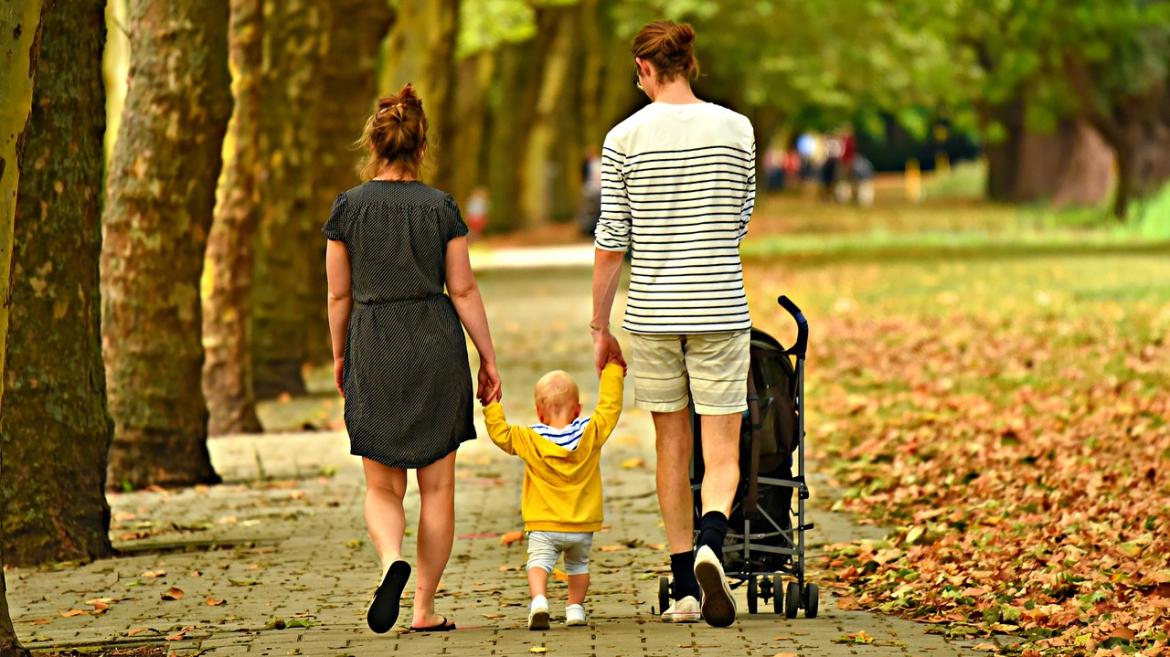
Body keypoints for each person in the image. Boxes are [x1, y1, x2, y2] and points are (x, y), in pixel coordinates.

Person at [590, 20, 756, 628]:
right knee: (721, 446)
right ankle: (715, 537)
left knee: (670, 444)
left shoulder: (623, 138)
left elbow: (612, 241)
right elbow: (741, 218)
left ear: (645, 70)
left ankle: (685, 585)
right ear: (691, 64)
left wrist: (599, 323)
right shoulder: (737, 129)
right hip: (719, 306)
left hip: (653, 313)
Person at [323, 83, 502, 634]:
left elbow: (337, 296)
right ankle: (423, 608)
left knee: (382, 487)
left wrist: (339, 356)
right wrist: (488, 359)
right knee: (439, 489)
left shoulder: (347, 210)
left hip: (373, 341)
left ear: (372, 145)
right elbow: (465, 290)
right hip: (434, 341)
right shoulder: (440, 207)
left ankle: (389, 562)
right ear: (421, 147)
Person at [483, 363, 625, 630]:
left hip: (543, 524)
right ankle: (575, 609)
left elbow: (500, 434)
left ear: (538, 411)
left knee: (538, 563)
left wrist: (492, 404)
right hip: (582, 525)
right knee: (578, 567)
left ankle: (539, 601)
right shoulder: (590, 432)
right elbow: (610, 409)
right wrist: (613, 371)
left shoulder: (529, 438)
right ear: (578, 410)